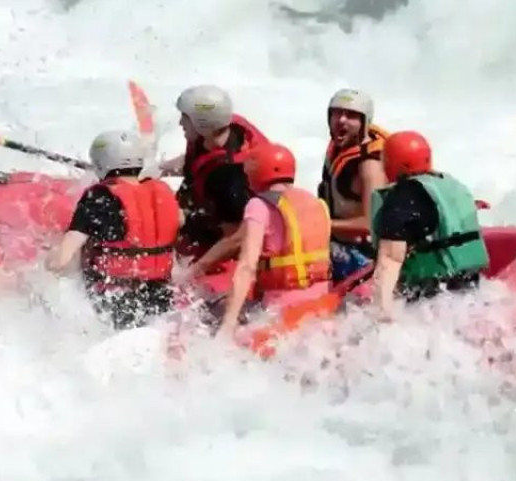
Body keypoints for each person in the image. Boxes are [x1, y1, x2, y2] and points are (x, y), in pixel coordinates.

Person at [44, 129, 181, 330]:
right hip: (161, 297)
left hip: (114, 302)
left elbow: (61, 261)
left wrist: (44, 266)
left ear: (101, 163)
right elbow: (178, 220)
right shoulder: (163, 193)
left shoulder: (98, 199)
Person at [216, 141, 332, 340]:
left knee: (217, 312)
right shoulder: (314, 202)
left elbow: (246, 267)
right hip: (322, 306)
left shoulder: (257, 205)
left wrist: (228, 324)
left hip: (282, 311)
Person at [369, 130, 489, 321]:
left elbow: (390, 259)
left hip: (431, 303)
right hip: (472, 293)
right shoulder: (449, 185)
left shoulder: (402, 198)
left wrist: (381, 313)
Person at [156, 84, 269, 267]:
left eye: (185, 118)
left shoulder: (230, 178)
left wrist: (193, 272)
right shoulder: (219, 130)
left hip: (229, 237)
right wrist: (160, 168)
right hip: (211, 208)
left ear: (201, 122)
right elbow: (200, 163)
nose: (180, 123)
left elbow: (236, 237)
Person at [317, 88, 392, 283]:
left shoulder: (370, 165)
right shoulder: (338, 147)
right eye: (336, 113)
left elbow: (369, 225)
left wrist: (321, 225)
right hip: (339, 240)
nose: (341, 120)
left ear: (364, 122)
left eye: (350, 116)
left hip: (365, 253)